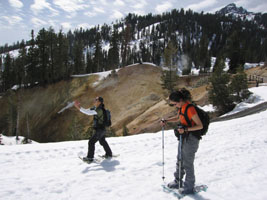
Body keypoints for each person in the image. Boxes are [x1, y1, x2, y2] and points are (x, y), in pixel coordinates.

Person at [160, 88, 203, 195]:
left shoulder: (190, 109)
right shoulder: (182, 108)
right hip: (184, 136)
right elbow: (179, 117)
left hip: (192, 138)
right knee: (179, 159)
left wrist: (186, 129)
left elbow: (200, 125)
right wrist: (167, 120)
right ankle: (177, 180)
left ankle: (189, 186)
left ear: (180, 100)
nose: (174, 106)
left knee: (187, 162)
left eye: (174, 104)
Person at [74, 97, 112, 162]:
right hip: (102, 129)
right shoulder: (96, 108)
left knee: (91, 142)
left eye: (96, 100)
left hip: (100, 130)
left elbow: (88, 113)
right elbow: (87, 111)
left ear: (99, 102)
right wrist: (79, 107)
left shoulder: (99, 110)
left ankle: (90, 158)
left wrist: (78, 107)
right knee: (102, 141)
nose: (94, 100)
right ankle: (109, 154)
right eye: (94, 99)